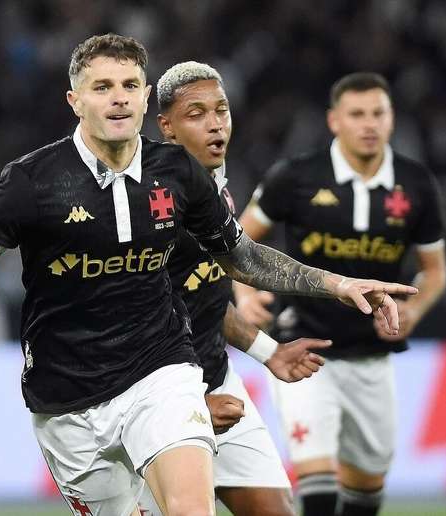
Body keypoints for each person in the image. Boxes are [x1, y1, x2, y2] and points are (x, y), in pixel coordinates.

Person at [0, 36, 417, 516]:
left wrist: (339, 285)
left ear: (143, 98)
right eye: (102, 87)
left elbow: (243, 257)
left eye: (130, 85)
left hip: (162, 371)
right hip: (67, 395)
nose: (118, 99)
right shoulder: (32, 183)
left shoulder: (178, 173)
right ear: (74, 100)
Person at [235, 72, 446, 516]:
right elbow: (235, 246)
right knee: (317, 484)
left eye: (378, 113)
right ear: (335, 120)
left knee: (366, 488)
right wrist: (243, 293)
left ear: (391, 120)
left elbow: (435, 272)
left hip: (372, 357)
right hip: (304, 349)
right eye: (357, 114)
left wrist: (415, 308)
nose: (368, 124)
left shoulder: (416, 185)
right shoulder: (293, 177)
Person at [138, 61, 328, 516]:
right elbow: (130, 320)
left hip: (218, 380)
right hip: (149, 401)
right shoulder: (152, 207)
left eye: (221, 110)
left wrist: (268, 352)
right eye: (196, 113)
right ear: (166, 127)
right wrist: (191, 406)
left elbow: (205, 299)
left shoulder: (217, 192)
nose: (215, 123)